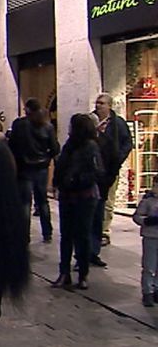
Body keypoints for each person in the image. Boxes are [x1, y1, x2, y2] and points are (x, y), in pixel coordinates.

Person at [51, 114, 105, 291]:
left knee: (82, 235)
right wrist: (58, 183)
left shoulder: (91, 147)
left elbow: (97, 172)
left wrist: (77, 179)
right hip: (68, 195)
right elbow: (61, 165)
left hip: (85, 196)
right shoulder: (69, 145)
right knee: (66, 235)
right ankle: (64, 273)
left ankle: (83, 274)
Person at [9, 98, 60, 243]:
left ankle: (24, 235)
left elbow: (12, 145)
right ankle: (47, 233)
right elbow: (55, 148)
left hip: (23, 169)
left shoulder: (19, 125)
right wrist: (47, 158)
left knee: (25, 203)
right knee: (42, 201)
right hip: (41, 168)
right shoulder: (47, 126)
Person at [91, 93, 132, 261]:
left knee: (107, 202)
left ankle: (104, 231)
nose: (98, 105)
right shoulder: (91, 121)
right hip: (93, 170)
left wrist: (118, 159)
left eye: (102, 103)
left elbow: (127, 143)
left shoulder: (118, 124)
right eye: (97, 102)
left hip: (110, 168)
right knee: (95, 204)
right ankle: (94, 238)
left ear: (109, 106)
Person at [133, 181, 158, 307]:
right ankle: (147, 292)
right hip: (151, 236)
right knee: (149, 266)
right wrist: (147, 221)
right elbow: (137, 216)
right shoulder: (148, 200)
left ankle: (156, 289)